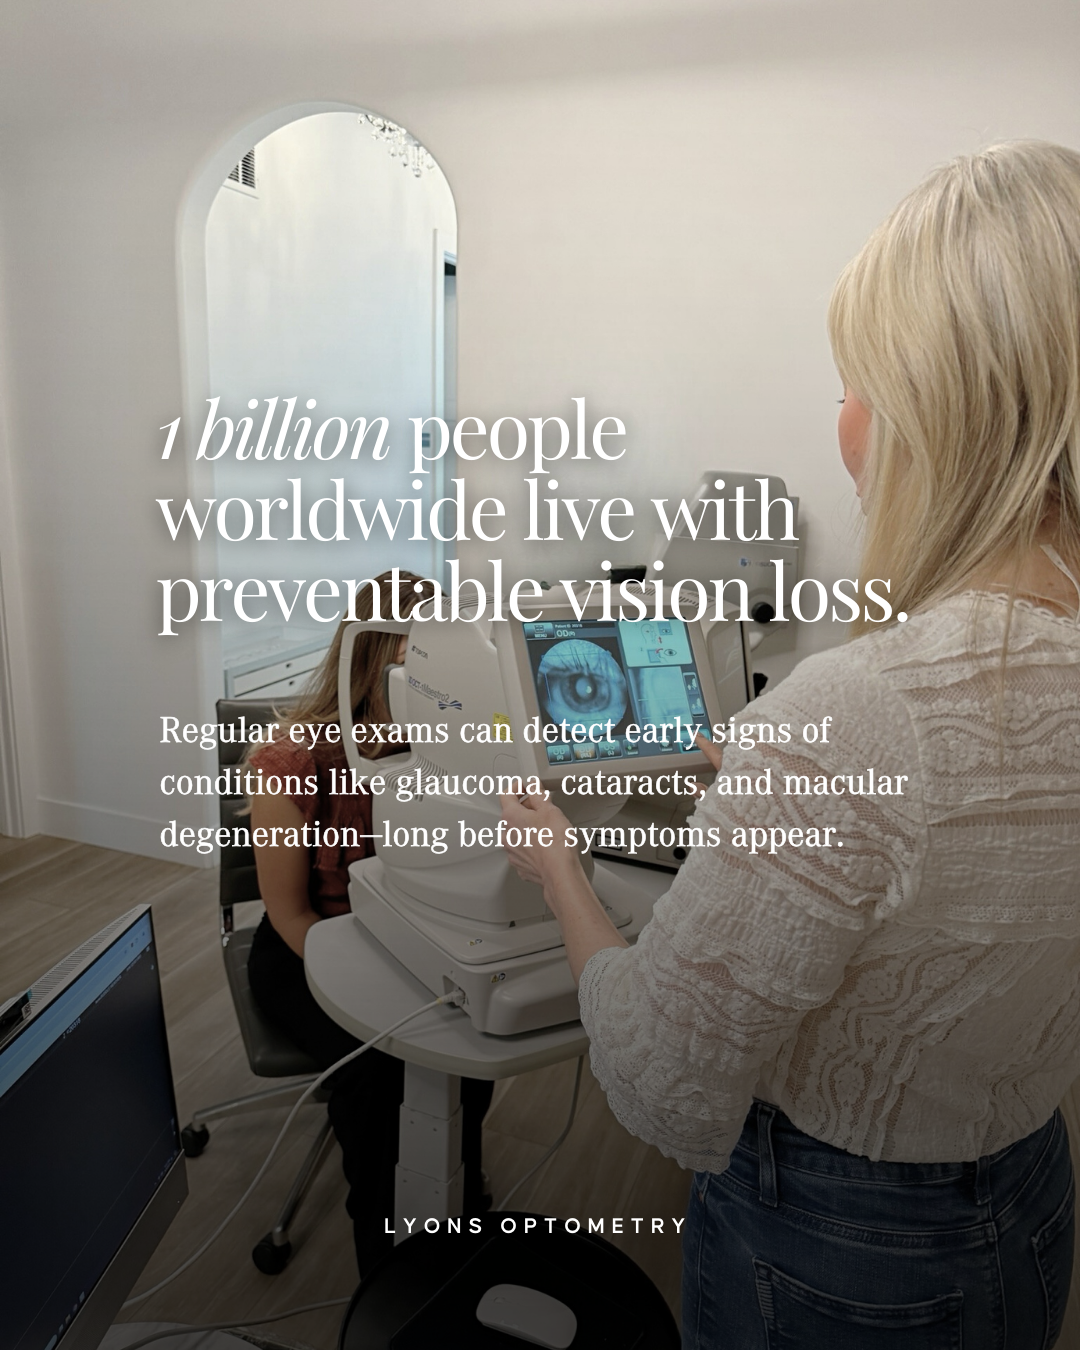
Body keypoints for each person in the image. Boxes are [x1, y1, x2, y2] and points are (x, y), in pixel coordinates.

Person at [500, 141, 1080, 1348]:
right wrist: (786, 784)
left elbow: (664, 1084)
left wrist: (561, 871)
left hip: (836, 1255)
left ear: (939, 411)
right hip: (1025, 1198)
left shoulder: (858, 711)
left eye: (852, 383)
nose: (844, 424)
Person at [245, 568, 493, 1277]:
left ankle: (457, 1201)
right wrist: (365, 999)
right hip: (311, 943)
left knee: (467, 1055)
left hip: (406, 937)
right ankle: (387, 1266)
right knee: (378, 1074)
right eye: (421, 656)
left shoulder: (448, 750)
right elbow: (290, 912)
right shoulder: (291, 762)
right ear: (377, 658)